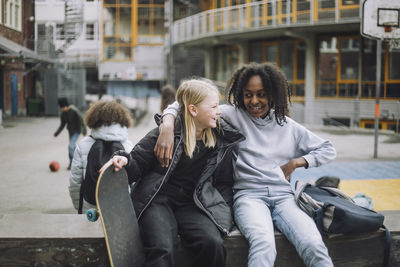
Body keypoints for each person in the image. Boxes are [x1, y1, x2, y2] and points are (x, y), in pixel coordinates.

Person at [156, 63, 337, 267]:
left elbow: (328, 149)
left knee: (313, 243)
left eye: (261, 94)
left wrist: (296, 162)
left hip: (284, 197)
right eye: (248, 94)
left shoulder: (288, 126)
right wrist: (168, 125)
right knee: (264, 243)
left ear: (273, 94)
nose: (254, 101)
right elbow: (183, 104)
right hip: (248, 197)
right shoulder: (233, 115)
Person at [101, 78, 244, 267]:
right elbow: (137, 163)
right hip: (158, 200)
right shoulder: (165, 134)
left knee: (212, 244)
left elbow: (224, 182)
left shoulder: (222, 141)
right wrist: (124, 160)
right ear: (193, 110)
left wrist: (225, 211)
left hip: (194, 203)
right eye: (214, 106)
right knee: (162, 249)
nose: (219, 111)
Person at [68, 100, 134, 213]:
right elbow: (135, 183)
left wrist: (80, 208)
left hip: (90, 208)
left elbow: (75, 183)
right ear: (122, 120)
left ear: (94, 119)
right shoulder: (128, 146)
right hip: (121, 209)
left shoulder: (83, 145)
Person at [53, 97, 87, 170]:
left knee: (70, 146)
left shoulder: (74, 110)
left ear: (65, 106)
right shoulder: (63, 114)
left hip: (77, 131)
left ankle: (76, 163)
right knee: (72, 148)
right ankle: (72, 163)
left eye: (61, 107)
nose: (61, 109)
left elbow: (81, 120)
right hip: (70, 131)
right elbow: (62, 125)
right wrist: (56, 133)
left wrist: (84, 130)